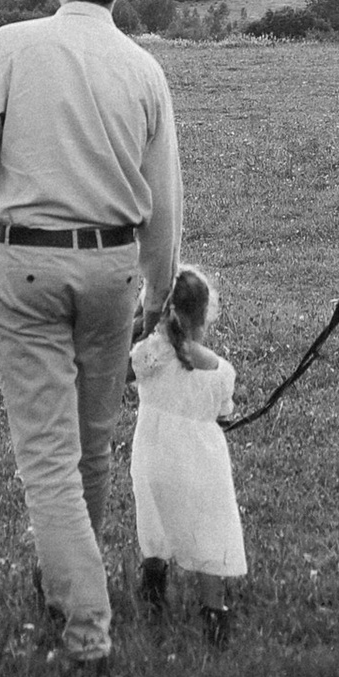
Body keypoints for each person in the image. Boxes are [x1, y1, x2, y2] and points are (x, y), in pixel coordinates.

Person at [0, 0, 183, 668]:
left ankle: (86, 625)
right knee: (91, 449)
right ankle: (63, 585)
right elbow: (164, 198)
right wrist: (158, 291)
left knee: (47, 459)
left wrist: (26, 184)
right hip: (114, 270)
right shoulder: (144, 68)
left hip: (29, 265)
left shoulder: (11, 46)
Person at [129, 264, 245, 641]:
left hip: (152, 457)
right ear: (206, 313)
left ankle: (153, 580)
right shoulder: (220, 371)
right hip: (201, 463)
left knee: (155, 516)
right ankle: (213, 610)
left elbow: (124, 369)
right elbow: (224, 413)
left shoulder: (150, 355)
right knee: (209, 529)